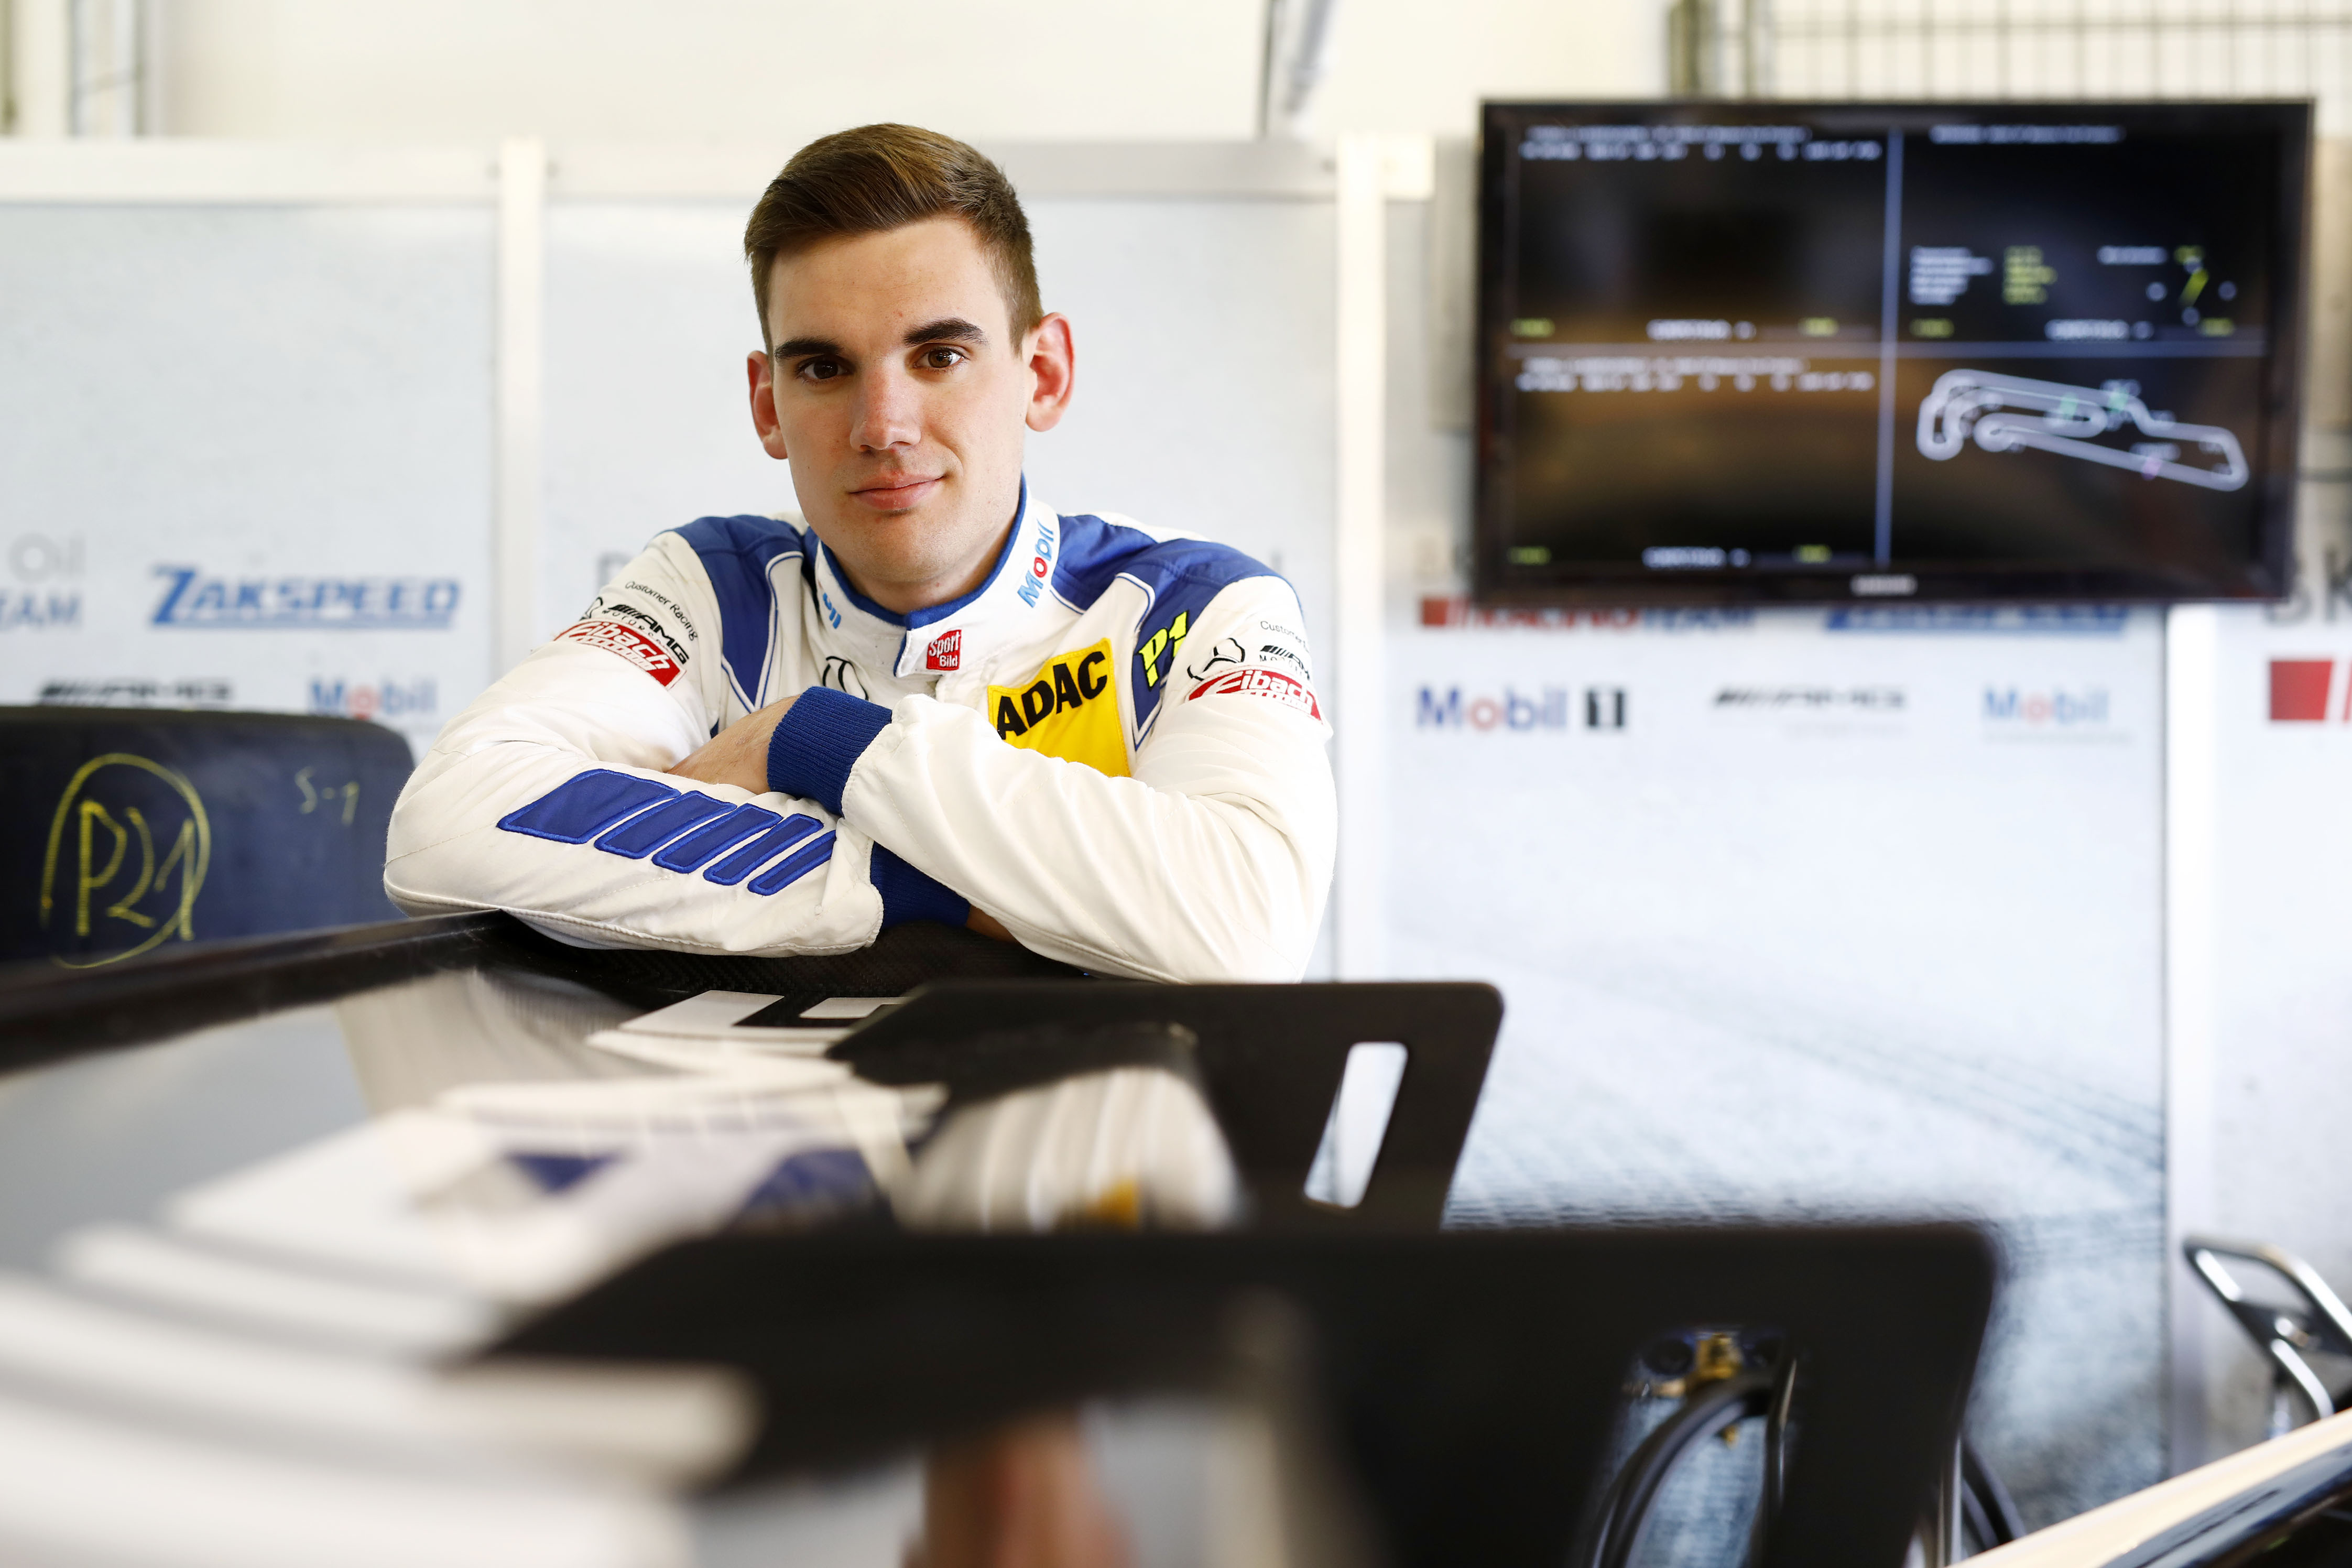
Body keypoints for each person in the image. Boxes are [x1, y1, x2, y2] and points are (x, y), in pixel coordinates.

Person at [385, 124, 1335, 982]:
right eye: (825, 368)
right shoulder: (711, 590)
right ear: (769, 406)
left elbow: (1247, 927)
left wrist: (818, 741)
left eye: (939, 357)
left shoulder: (1197, 607)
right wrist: (919, 889)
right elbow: (448, 826)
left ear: (1042, 375)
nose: (883, 426)